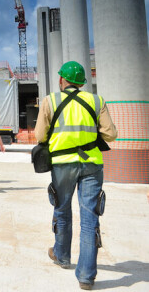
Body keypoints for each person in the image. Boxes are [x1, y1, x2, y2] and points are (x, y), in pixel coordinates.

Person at [35, 61, 117, 291]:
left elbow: (40, 136)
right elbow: (111, 134)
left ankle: (61, 255)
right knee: (90, 218)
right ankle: (86, 277)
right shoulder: (96, 101)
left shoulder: (50, 100)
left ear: (62, 80)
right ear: (82, 82)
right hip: (91, 164)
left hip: (62, 165)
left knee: (62, 211)